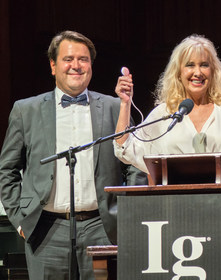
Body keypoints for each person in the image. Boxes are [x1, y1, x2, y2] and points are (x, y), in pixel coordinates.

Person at [0, 30, 147, 279]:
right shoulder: (26, 110)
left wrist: (125, 214)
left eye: (84, 59)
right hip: (45, 230)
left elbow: (135, 165)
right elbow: (7, 170)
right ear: (53, 65)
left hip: (102, 228)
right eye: (68, 59)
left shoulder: (114, 107)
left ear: (91, 65)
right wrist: (20, 219)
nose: (76, 66)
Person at [113, 34, 221, 179]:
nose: (197, 72)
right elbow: (124, 148)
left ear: (213, 71)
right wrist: (125, 103)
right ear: (178, 73)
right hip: (177, 205)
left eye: (204, 65)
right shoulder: (165, 113)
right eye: (190, 65)